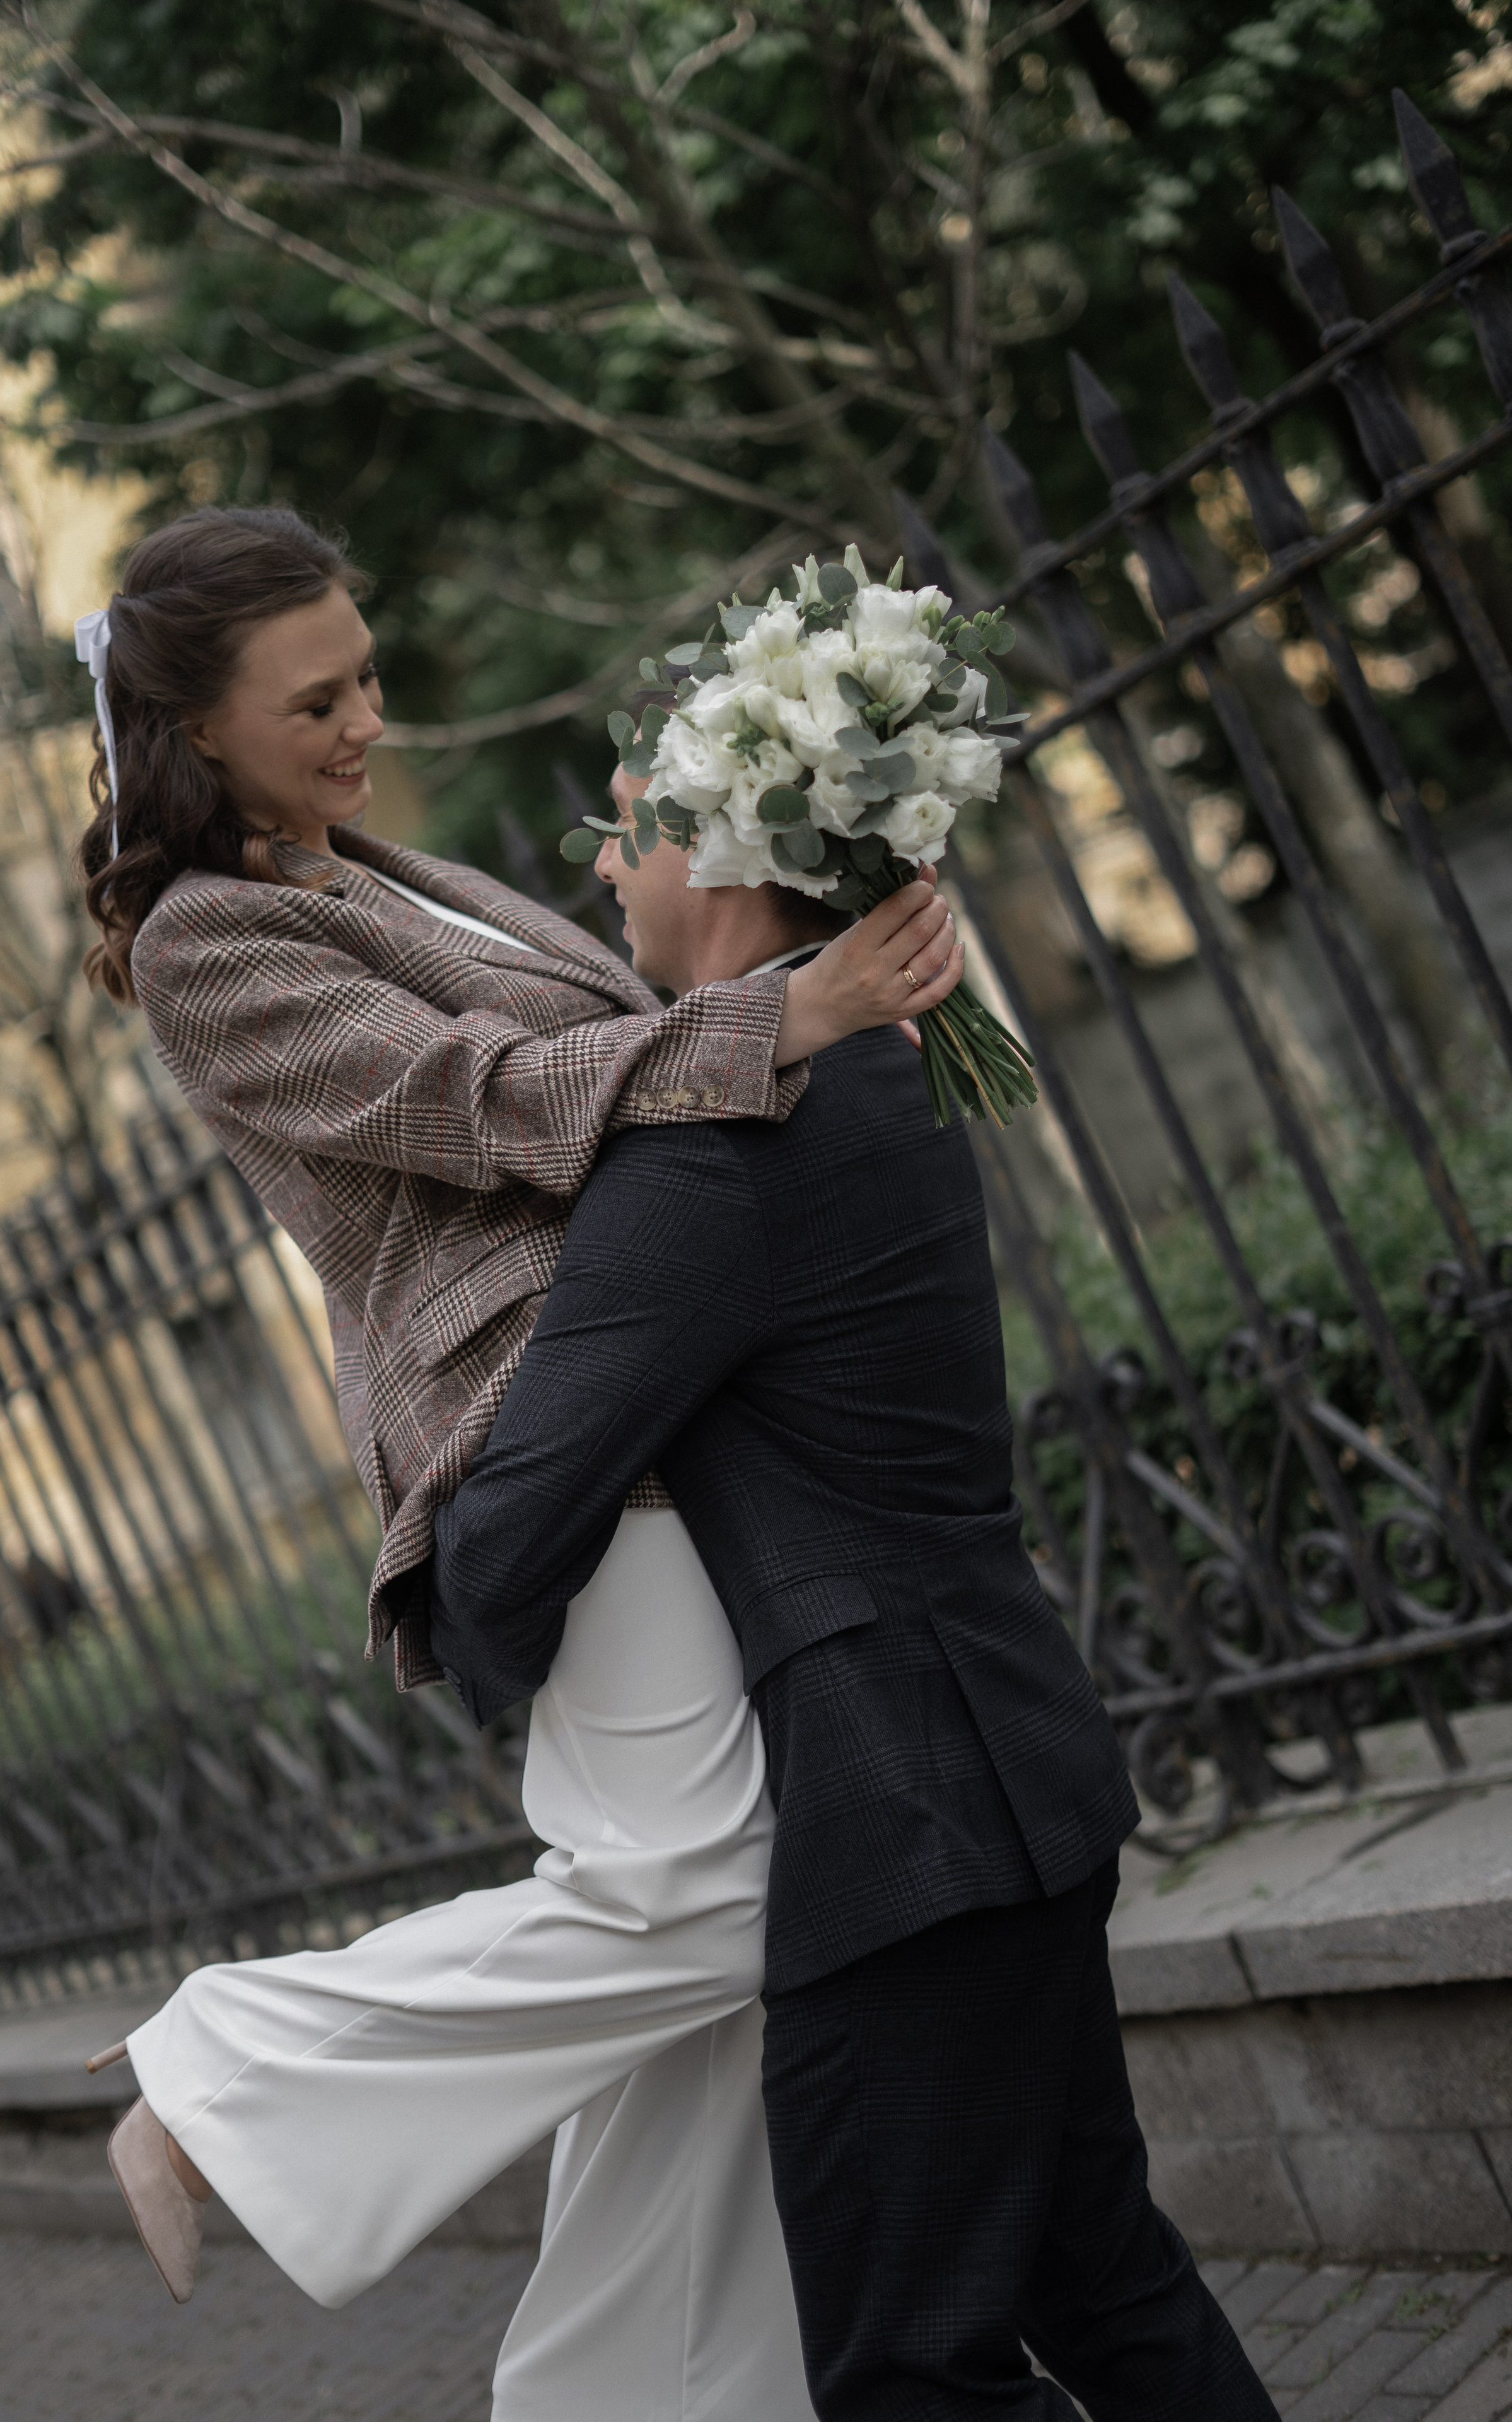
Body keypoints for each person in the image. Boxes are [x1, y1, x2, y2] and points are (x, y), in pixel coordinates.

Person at [76, 503, 963, 2420]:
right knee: (723, 1894)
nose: (364, 722)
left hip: (650, 1401)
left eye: (367, 677)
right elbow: (478, 1109)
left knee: (701, 2007)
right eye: (315, 701)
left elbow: (625, 1036)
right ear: (194, 728)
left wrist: (802, 945)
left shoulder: (368, 864)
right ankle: (226, 2074)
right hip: (542, 1430)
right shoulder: (205, 948)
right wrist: (777, 1015)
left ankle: (631, 2397)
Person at [422, 775, 1280, 2422]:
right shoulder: (886, 1074)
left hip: (900, 1836)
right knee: (1101, 2280)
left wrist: (467, 1624)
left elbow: (512, 1533)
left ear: (733, 849)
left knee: (905, 2376)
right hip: (1006, 1769)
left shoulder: (723, 1143)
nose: (598, 862)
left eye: (625, 822)